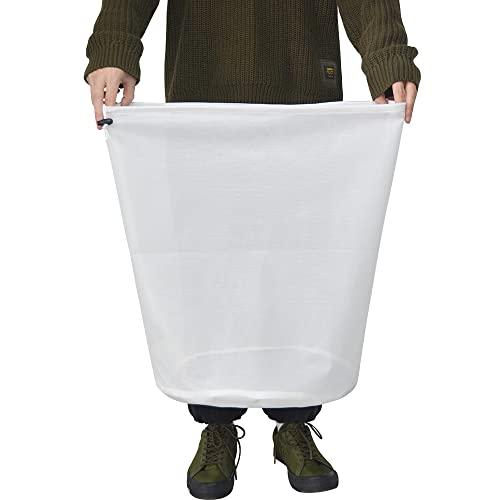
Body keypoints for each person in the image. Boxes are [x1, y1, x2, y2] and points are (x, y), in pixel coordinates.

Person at [84, 1, 420, 497]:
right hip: (202, 87)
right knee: (208, 262)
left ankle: (295, 419)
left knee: (302, 262)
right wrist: (114, 47)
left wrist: (386, 54)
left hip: (302, 83)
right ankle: (215, 422)